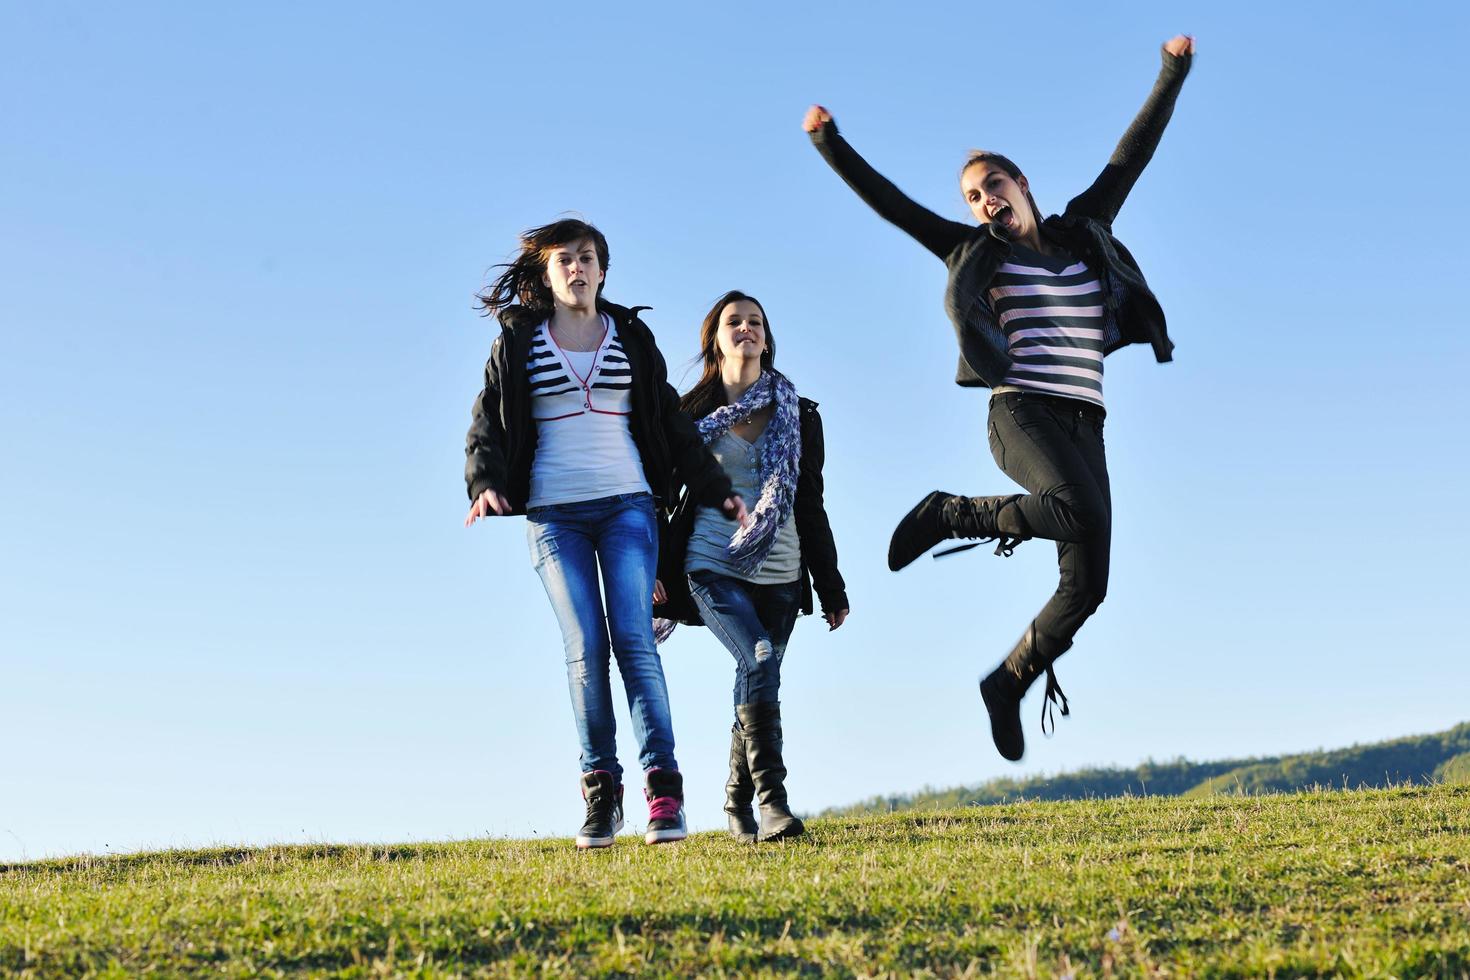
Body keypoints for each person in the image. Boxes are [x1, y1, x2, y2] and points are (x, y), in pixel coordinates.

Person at [803, 36, 1195, 761]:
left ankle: (1007, 683)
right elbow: (891, 206)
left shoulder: (1085, 230)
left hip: (1087, 422)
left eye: (993, 187)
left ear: (1022, 183)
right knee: (1077, 511)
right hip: (1020, 411)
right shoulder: (972, 252)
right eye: (974, 198)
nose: (985, 202)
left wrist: (1173, 70)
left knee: (1089, 585)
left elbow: (1131, 154)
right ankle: (950, 513)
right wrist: (831, 143)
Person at [464, 219, 747, 848]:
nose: (576, 268)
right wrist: (484, 480)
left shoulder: (631, 337)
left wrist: (714, 487)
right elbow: (487, 419)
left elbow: (670, 422)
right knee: (585, 648)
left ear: (602, 269)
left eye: (586, 258)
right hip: (553, 512)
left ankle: (663, 792)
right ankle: (601, 793)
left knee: (635, 641)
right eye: (563, 259)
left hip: (628, 506)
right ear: (546, 272)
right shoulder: (517, 341)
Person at [653, 290, 849, 842]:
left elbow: (810, 502)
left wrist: (830, 587)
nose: (746, 328)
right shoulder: (689, 417)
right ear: (715, 339)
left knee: (757, 672)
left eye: (756, 321)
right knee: (759, 657)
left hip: (783, 572)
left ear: (767, 337)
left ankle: (736, 802)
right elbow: (664, 499)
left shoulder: (798, 414)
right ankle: (773, 804)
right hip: (712, 564)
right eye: (734, 321)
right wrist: (656, 572)